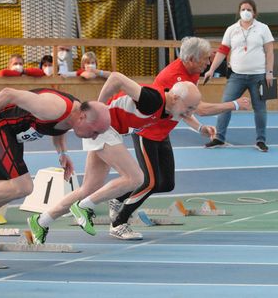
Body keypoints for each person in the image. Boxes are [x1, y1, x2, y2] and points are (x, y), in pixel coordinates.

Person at [27, 72, 213, 244]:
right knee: (136, 178)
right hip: (105, 129)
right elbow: (116, 78)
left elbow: (184, 114)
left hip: (108, 132)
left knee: (88, 188)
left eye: (193, 109)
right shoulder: (152, 99)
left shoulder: (171, 105)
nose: (189, 113)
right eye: (189, 108)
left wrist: (200, 128)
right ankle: (85, 207)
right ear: (174, 98)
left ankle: (42, 220)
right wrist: (98, 110)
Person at [106, 36, 250, 240]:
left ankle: (119, 196)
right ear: (191, 59)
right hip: (147, 132)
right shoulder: (174, 76)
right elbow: (200, 108)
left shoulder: (193, 73)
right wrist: (233, 105)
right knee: (149, 182)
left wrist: (198, 128)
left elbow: (186, 109)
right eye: (205, 59)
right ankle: (119, 222)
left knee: (166, 184)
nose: (209, 63)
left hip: (162, 132)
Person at [0, 88, 110, 260]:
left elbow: (60, 129)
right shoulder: (53, 107)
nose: (95, 137)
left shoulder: (75, 115)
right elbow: (8, 93)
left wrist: (62, 153)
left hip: (11, 135)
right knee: (23, 187)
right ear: (82, 117)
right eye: (95, 131)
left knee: (3, 193)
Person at [203, 0, 274, 152]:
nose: (246, 12)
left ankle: (261, 140)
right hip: (236, 76)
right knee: (225, 105)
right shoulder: (231, 29)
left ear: (254, 12)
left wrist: (269, 72)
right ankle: (219, 138)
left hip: (259, 75)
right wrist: (211, 69)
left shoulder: (263, 28)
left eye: (249, 9)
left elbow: (269, 51)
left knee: (260, 109)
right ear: (239, 12)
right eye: (243, 9)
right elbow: (222, 51)